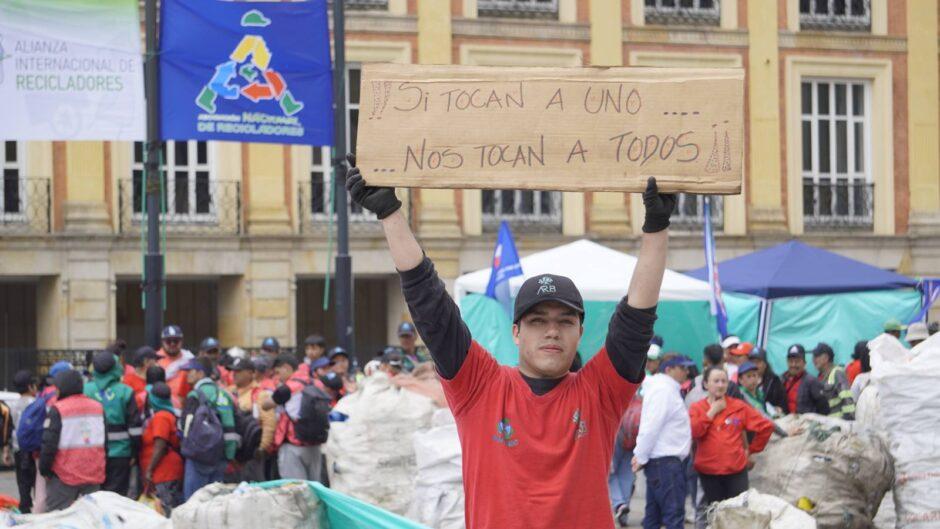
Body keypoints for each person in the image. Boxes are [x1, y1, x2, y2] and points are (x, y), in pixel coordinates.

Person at [346, 155, 673, 529]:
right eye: (537, 321)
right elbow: (431, 306)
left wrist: (657, 229)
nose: (552, 331)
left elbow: (636, 319)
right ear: (516, 332)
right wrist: (390, 213)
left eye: (565, 321)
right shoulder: (479, 385)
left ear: (580, 333)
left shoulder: (599, 393)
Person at [688, 367, 774, 508]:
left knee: (737, 512)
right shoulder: (697, 408)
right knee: (715, 512)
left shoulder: (738, 406)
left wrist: (751, 450)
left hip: (736, 471)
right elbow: (695, 431)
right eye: (716, 381)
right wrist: (713, 411)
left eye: (724, 381)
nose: (720, 385)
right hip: (709, 471)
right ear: (705, 384)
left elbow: (765, 427)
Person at [632, 355, 694, 529]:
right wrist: (640, 456)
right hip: (666, 462)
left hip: (663, 462)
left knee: (654, 516)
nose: (686, 372)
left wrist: (642, 455)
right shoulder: (663, 390)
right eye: (682, 368)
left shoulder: (665, 388)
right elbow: (651, 426)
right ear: (669, 369)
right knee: (673, 515)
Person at [39, 369, 106, 511]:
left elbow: (49, 444)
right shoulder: (98, 407)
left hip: (64, 478)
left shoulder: (58, 409)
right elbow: (105, 441)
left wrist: (44, 470)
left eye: (56, 388)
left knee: (58, 519)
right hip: (93, 476)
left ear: (62, 388)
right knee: (91, 518)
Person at [83, 350, 142, 497]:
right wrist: (135, 453)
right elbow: (135, 429)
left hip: (91, 453)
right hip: (120, 454)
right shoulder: (126, 392)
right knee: (115, 498)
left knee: (94, 498)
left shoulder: (85, 390)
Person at [180, 357, 238, 500]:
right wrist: (229, 456)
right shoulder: (225, 395)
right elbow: (231, 429)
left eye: (190, 371)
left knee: (194, 502)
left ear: (200, 373)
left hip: (198, 457)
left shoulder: (194, 395)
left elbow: (185, 428)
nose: (187, 374)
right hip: (220, 457)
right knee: (216, 503)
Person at [263, 354, 322, 482]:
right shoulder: (315, 382)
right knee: (316, 488)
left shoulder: (288, 388)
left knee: (296, 490)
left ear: (286, 368)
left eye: (278, 372)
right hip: (316, 445)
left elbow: (266, 405)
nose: (278, 377)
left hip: (293, 445)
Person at [139, 382, 183, 515]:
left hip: (163, 473)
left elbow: (160, 445)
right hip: (164, 472)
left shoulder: (161, 417)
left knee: (165, 513)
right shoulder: (166, 414)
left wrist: (149, 470)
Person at [228, 358, 275, 482]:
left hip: (251, 452)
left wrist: (262, 447)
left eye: (238, 371)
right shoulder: (228, 392)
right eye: (233, 371)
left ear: (250, 373)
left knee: (254, 488)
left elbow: (269, 423)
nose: (234, 374)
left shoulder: (260, 394)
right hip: (231, 453)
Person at [610, 391, 642, 528]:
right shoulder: (641, 397)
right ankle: (624, 509)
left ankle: (619, 504)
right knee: (626, 475)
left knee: (609, 473)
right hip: (633, 437)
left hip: (614, 433)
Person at [10, 370, 37, 513]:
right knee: (37, 485)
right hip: (33, 450)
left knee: (23, 484)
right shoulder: (36, 403)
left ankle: (25, 511)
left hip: (18, 449)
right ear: (30, 386)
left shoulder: (14, 405)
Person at [781, 344, 829, 415]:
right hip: (785, 422)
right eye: (791, 361)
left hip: (805, 424)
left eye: (797, 361)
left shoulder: (812, 381)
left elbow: (824, 408)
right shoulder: (782, 379)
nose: (793, 365)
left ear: (804, 363)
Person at [812, 343, 855, 420]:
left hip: (839, 424)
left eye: (816, 356)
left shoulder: (837, 373)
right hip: (828, 424)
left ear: (826, 358)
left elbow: (847, 400)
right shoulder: (821, 378)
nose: (813, 360)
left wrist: (847, 423)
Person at [157, 325, 195, 400]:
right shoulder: (155, 359)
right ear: (162, 342)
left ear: (181, 341)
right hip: (162, 404)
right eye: (168, 341)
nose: (172, 344)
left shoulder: (189, 358)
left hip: (185, 405)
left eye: (176, 341)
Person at [748, 347, 787, 413]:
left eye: (758, 362)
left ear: (765, 364)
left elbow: (783, 404)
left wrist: (779, 409)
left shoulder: (774, 381)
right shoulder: (743, 380)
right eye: (752, 362)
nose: (754, 365)